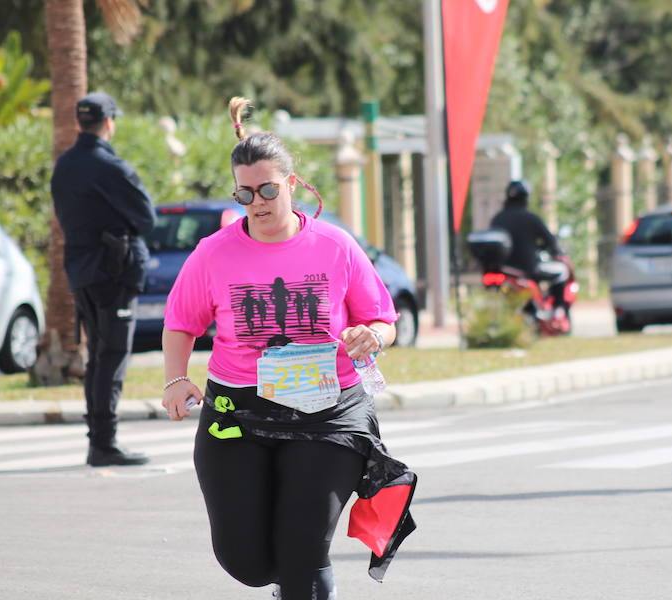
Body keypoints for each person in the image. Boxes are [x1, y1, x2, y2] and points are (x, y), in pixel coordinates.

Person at [161, 97, 416, 600]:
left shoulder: (335, 246)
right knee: (247, 561)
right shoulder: (214, 253)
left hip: (327, 415)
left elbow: (383, 319)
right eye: (246, 192)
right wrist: (175, 378)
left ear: (292, 185)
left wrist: (373, 336)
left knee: (302, 550)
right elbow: (181, 322)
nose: (258, 202)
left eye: (268, 189)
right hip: (238, 411)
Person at [51, 91, 156, 467]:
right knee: (111, 357)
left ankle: (99, 438)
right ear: (109, 123)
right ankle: (104, 443)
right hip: (114, 274)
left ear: (81, 122)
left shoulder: (65, 165)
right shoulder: (111, 167)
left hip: (81, 273)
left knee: (98, 357)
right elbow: (146, 219)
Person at [489, 180, 569, 312]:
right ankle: (558, 311)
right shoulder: (531, 218)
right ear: (526, 197)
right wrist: (557, 251)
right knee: (562, 271)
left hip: (503, 269)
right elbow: (549, 240)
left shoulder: (497, 219)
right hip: (529, 268)